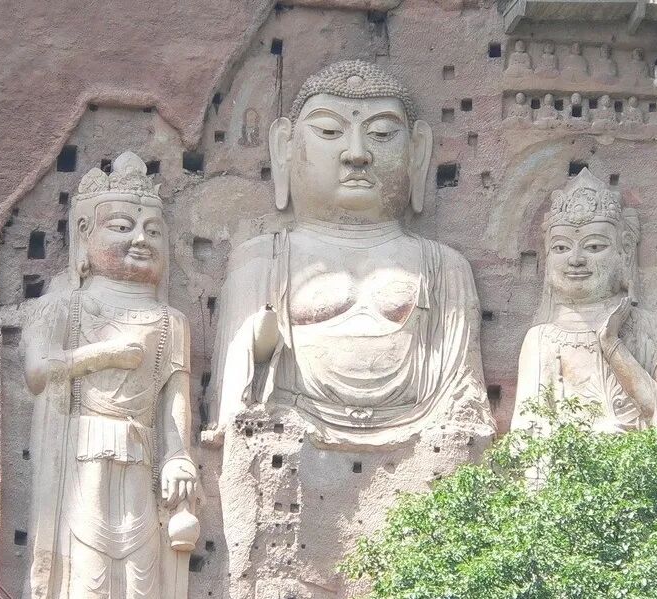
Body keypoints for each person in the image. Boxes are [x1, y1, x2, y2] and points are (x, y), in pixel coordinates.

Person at [204, 60, 494, 449]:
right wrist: (259, 349)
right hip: (288, 442)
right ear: (284, 147)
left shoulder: (444, 268)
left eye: (382, 134)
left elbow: (464, 398)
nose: (356, 153)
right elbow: (233, 409)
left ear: (417, 151)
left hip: (423, 442)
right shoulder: (263, 259)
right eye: (329, 131)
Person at [21, 152, 198, 598]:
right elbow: (38, 371)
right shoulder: (62, 307)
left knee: (142, 575)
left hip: (140, 456)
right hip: (80, 455)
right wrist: (104, 354)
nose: (140, 240)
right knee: (85, 575)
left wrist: (179, 457)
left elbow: (176, 397)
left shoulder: (171, 321)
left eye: (153, 231)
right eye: (121, 226)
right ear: (85, 233)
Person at [512, 168, 657, 436]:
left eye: (594, 246)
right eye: (561, 247)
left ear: (624, 250)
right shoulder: (540, 339)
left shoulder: (653, 330)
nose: (575, 260)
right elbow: (525, 434)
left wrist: (613, 346)